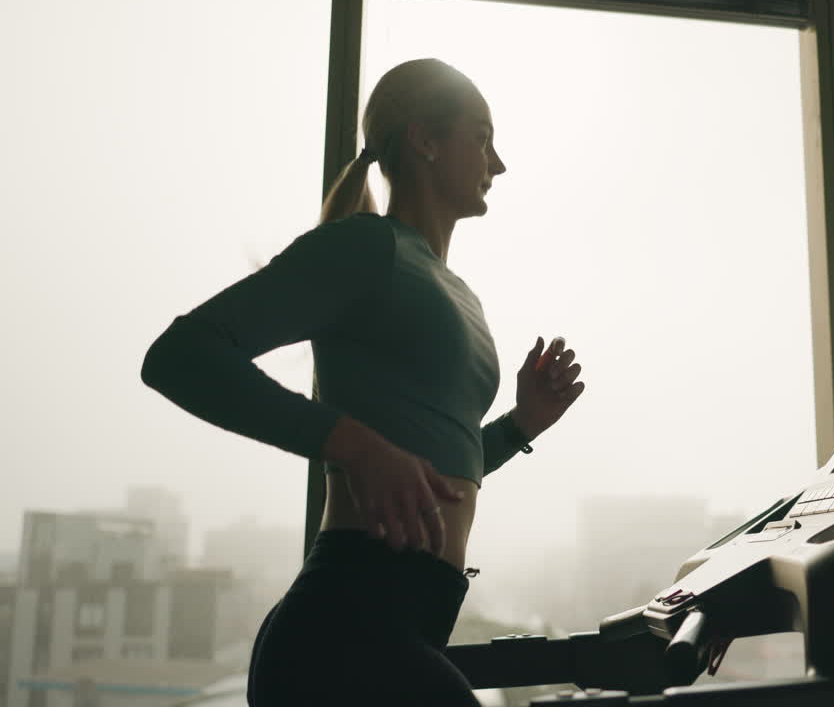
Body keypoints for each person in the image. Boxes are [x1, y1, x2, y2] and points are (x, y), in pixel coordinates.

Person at [140, 58, 585, 706]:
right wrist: (351, 444)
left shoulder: (455, 289)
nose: (499, 163)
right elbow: (180, 355)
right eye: (482, 137)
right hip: (345, 629)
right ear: (424, 140)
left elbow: (430, 474)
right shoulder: (365, 248)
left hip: (409, 621)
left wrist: (521, 426)